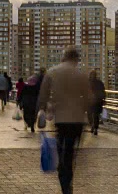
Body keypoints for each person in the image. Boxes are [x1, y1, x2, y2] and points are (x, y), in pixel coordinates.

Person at [38, 46, 90, 194]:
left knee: (62, 151)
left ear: (64, 57)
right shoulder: (80, 75)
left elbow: (43, 94)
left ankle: (65, 183)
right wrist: (89, 115)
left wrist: (43, 108)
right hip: (77, 119)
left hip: (60, 119)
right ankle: (68, 181)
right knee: (70, 152)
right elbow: (88, 97)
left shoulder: (53, 72)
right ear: (76, 59)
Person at [88, 70, 106, 135]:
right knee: (93, 115)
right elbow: (103, 91)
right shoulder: (99, 82)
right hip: (94, 101)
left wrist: (103, 99)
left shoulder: (89, 82)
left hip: (95, 101)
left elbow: (103, 92)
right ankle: (94, 126)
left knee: (94, 115)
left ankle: (94, 127)